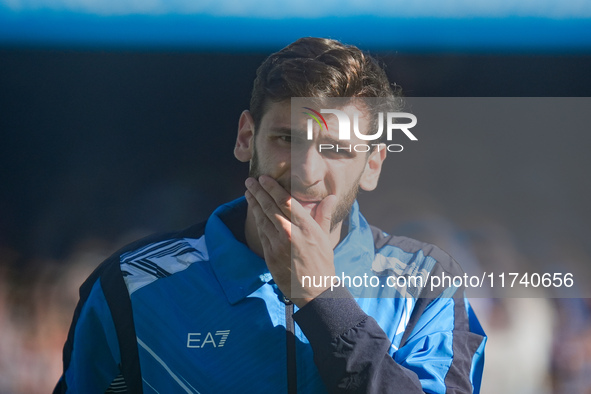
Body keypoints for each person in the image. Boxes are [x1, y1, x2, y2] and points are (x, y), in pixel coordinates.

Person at [55, 37, 486, 394]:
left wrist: (325, 302)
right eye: (287, 138)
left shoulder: (426, 285)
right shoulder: (133, 285)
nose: (306, 173)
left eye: (336, 149)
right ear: (247, 137)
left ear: (372, 163)